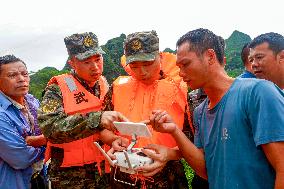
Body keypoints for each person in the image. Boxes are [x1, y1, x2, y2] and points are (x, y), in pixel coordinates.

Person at [148, 28, 284, 189]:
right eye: (179, 66)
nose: (181, 73)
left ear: (210, 56)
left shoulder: (257, 92)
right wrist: (174, 131)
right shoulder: (200, 112)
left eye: (186, 64)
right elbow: (206, 171)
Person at [104, 30, 201, 188]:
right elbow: (102, 128)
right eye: (134, 66)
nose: (142, 72)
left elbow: (196, 140)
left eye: (148, 64)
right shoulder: (116, 88)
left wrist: (169, 154)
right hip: (124, 177)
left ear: (160, 56)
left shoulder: (181, 89)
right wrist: (113, 140)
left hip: (168, 176)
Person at [38, 32, 128, 189]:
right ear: (72, 63)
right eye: (87, 62)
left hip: (104, 170)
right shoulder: (56, 89)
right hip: (70, 178)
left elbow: (102, 128)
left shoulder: (103, 83)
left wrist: (113, 139)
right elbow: (49, 127)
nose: (95, 67)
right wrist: (96, 119)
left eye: (98, 59)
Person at [0, 55, 46, 189]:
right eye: (12, 75)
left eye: (24, 74)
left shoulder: (31, 101)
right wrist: (49, 142)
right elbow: (21, 158)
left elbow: (47, 128)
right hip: (12, 183)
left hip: (38, 177)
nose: (21, 79)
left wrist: (36, 140)